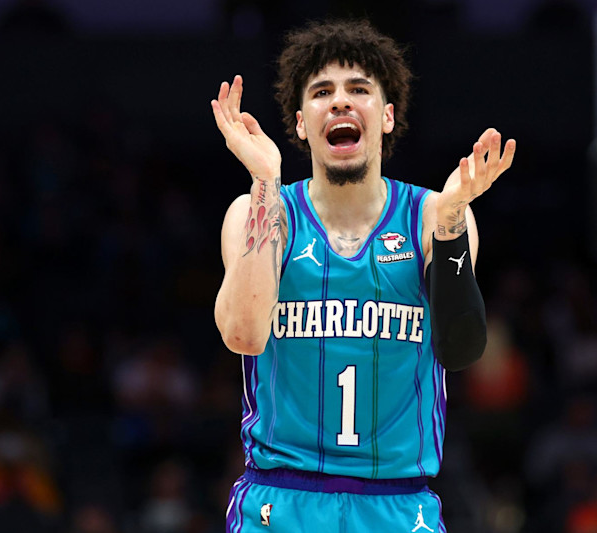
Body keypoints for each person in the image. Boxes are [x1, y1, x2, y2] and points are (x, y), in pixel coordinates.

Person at [210, 18, 516, 532]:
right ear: (303, 124)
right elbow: (243, 333)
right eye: (322, 91)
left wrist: (450, 228)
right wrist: (265, 178)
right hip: (282, 501)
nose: (340, 102)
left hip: (397, 505)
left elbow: (462, 348)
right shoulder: (262, 211)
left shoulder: (432, 216)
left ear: (388, 115)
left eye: (359, 89)